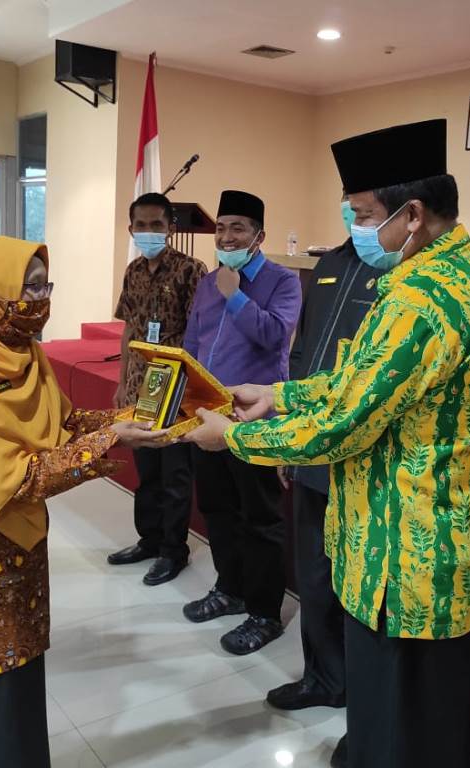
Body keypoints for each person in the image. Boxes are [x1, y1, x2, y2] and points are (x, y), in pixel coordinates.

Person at [185, 119, 470, 768]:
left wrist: (240, 437)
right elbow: (368, 384)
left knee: (397, 729)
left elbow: (347, 423)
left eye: (365, 216)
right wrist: (282, 395)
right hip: (453, 547)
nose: (359, 231)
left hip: (405, 557)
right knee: (435, 724)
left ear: (412, 214)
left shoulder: (419, 296)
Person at [0, 236, 166, 768]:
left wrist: (124, 421)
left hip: (14, 554)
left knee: (16, 683)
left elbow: (64, 423)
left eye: (46, 285)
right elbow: (16, 478)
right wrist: (111, 441)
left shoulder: (20, 354)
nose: (42, 299)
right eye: (30, 287)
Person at [266, 195, 386, 716]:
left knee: (358, 589)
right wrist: (290, 437)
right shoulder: (331, 264)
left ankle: (362, 704)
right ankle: (322, 678)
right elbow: (301, 353)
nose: (355, 221)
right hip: (314, 449)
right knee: (314, 576)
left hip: (366, 459)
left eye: (364, 211)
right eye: (351, 209)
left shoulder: (407, 279)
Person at [182, 190, 301, 654]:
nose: (227, 236)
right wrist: (186, 401)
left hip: (256, 420)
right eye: (222, 227)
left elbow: (274, 336)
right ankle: (229, 589)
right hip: (209, 417)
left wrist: (235, 298)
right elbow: (194, 345)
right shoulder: (206, 282)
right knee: (217, 509)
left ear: (259, 236)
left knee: (260, 518)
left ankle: (264, 613)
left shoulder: (282, 281)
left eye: (238, 228)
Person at [107, 193, 207, 585]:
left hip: (176, 384)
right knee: (146, 468)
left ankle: (173, 550)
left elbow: (200, 331)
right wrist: (122, 382)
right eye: (141, 225)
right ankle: (148, 539)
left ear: (171, 228)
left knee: (175, 473)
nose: (149, 232)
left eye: (157, 225)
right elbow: (129, 327)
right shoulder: (133, 271)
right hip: (139, 386)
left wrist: (193, 388)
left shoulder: (190, 271)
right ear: (131, 229)